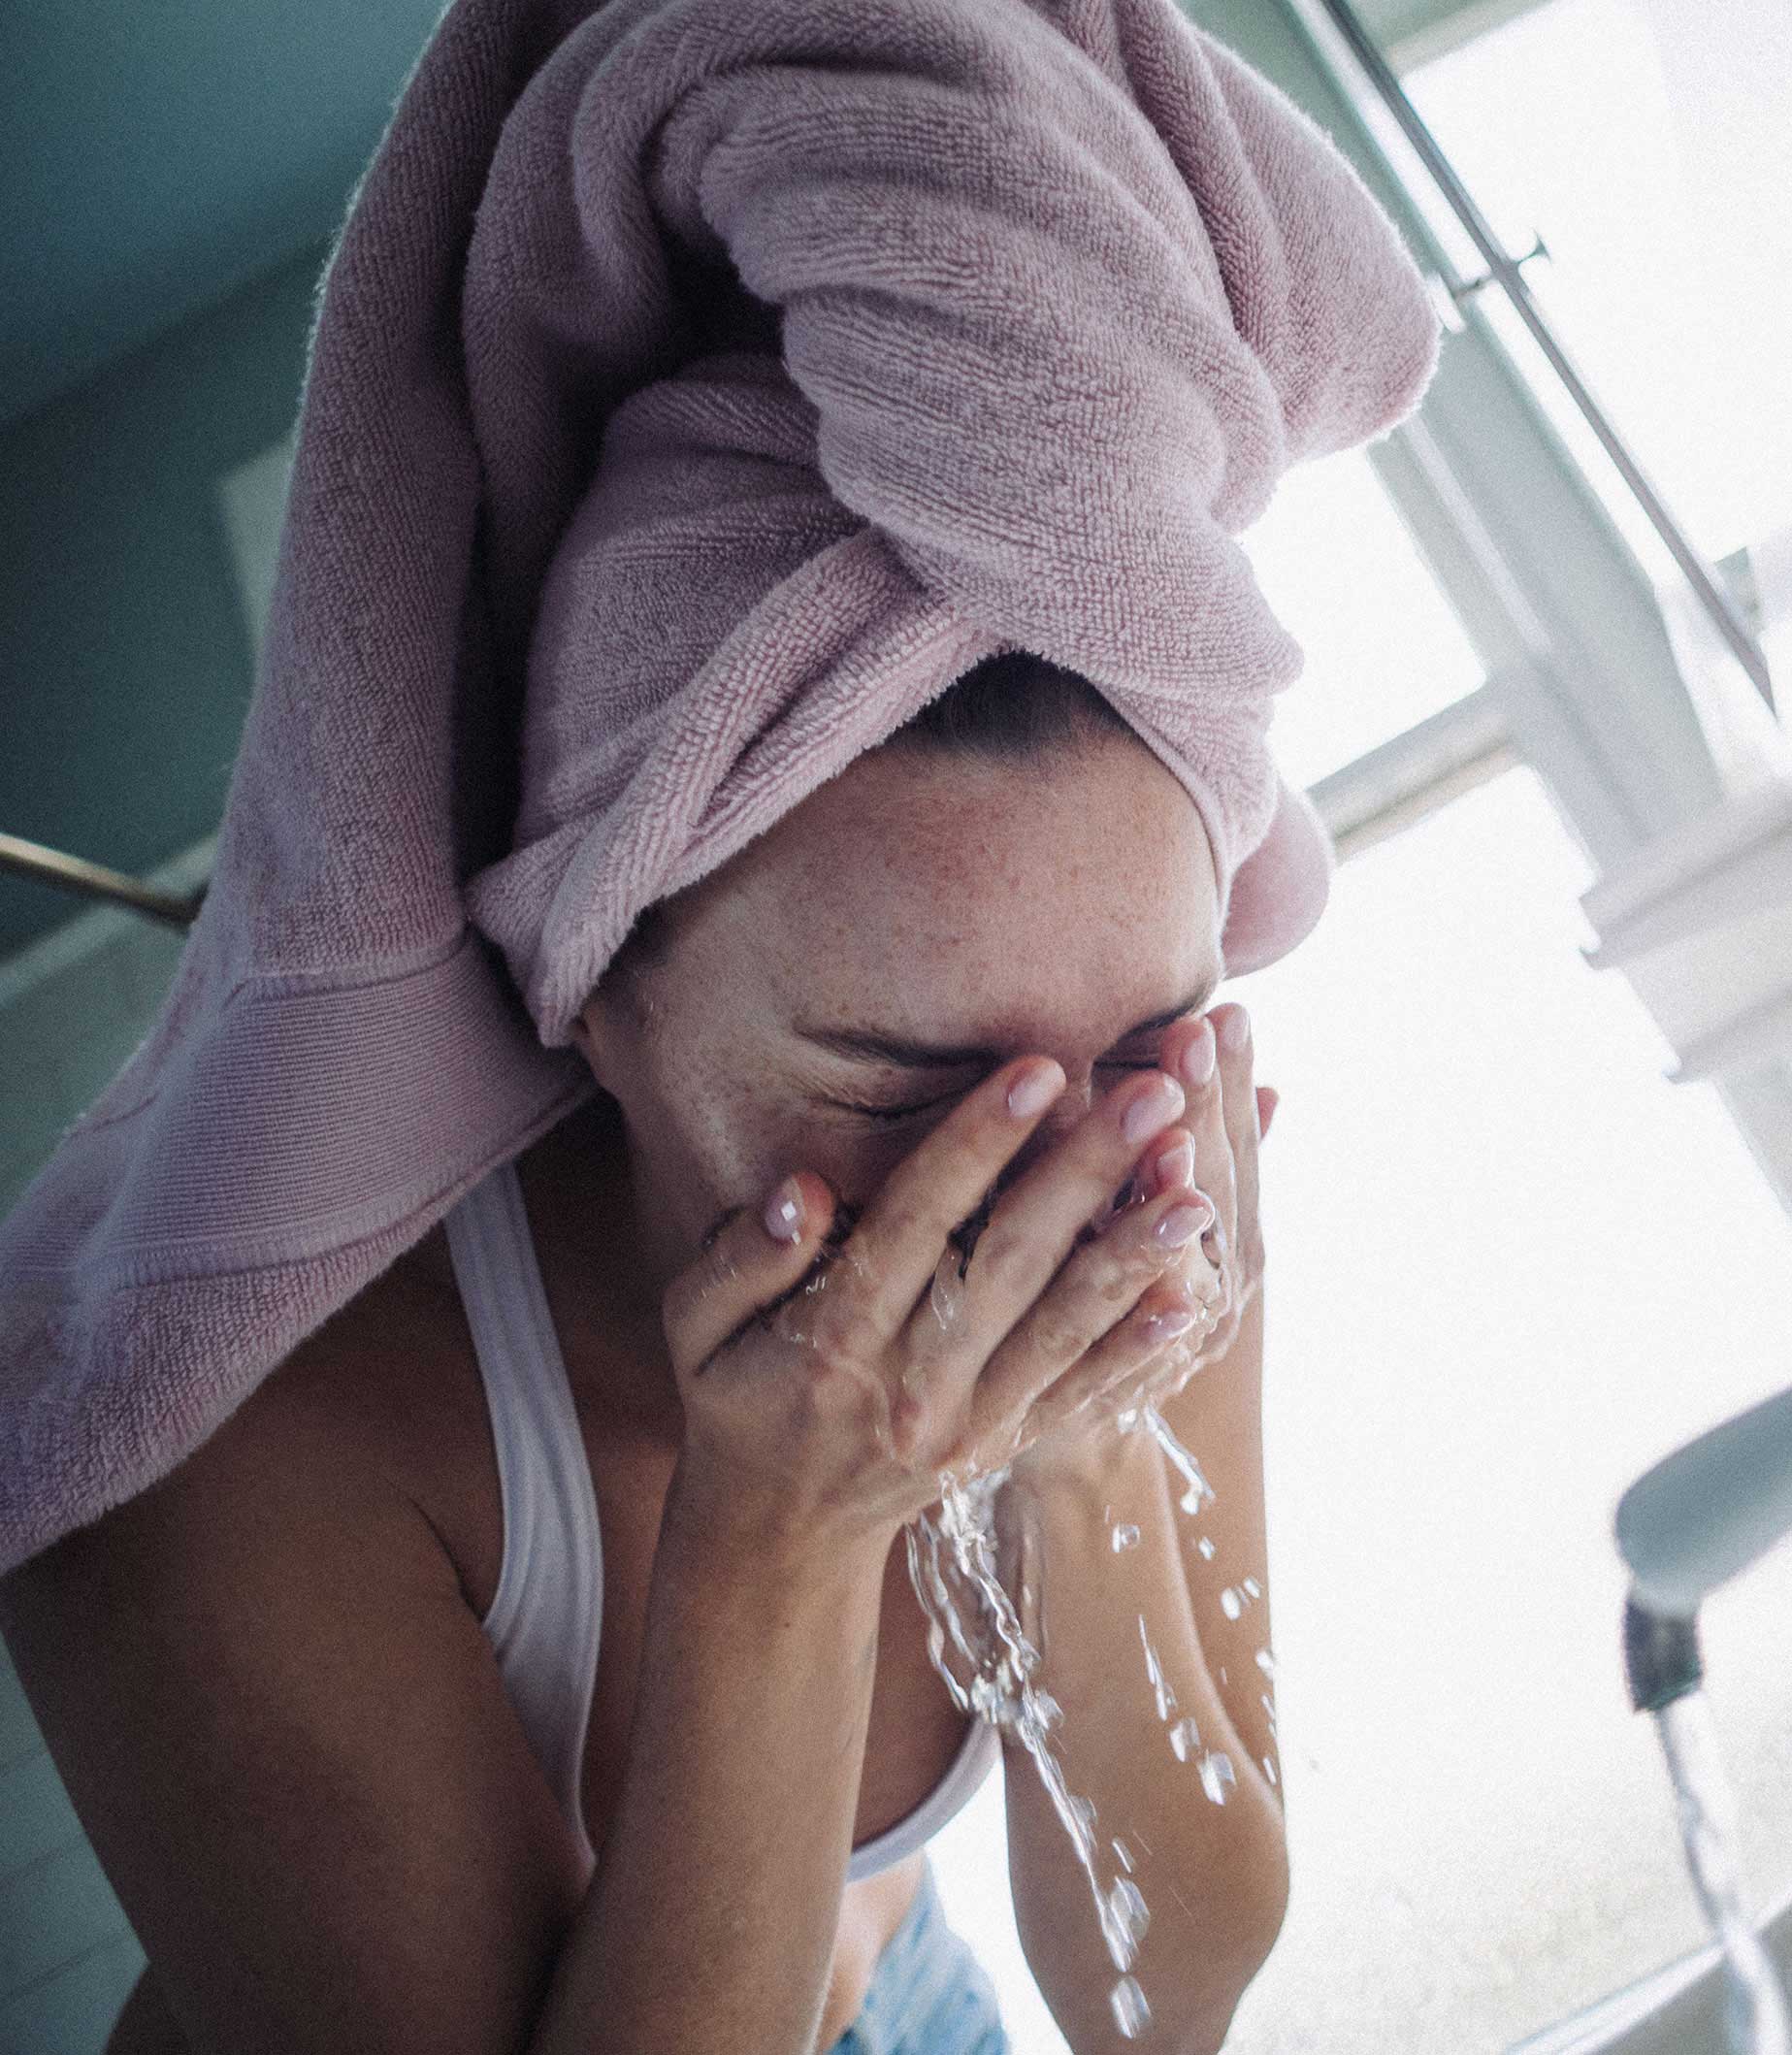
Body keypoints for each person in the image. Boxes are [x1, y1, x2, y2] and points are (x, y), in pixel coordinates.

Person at [0, 648, 1289, 2055]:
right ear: (599, 995)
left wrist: (1081, 1451)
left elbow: (1164, 2008)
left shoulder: (1147, 1196)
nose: (1049, 1200)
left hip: (915, 1997)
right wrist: (779, 1538)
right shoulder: (230, 1452)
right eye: (910, 1083)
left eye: (1144, 1050)